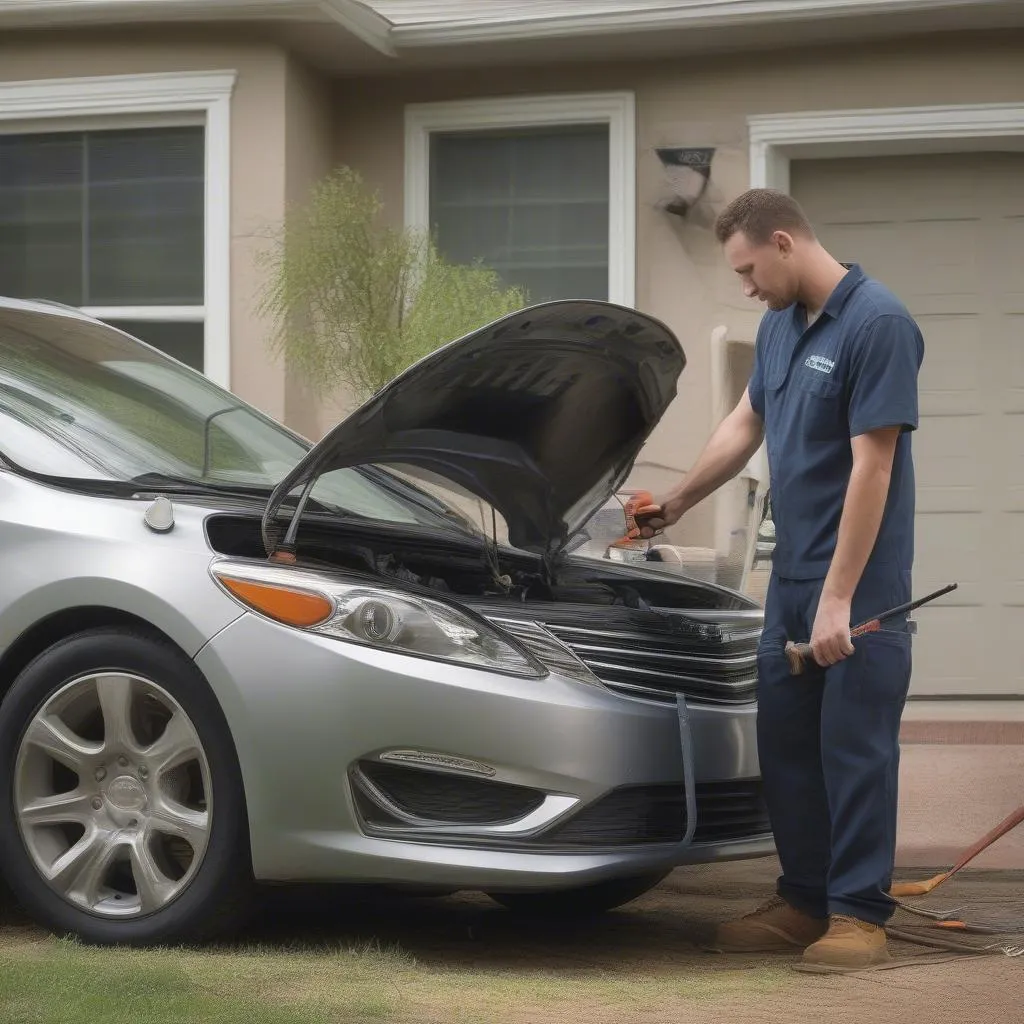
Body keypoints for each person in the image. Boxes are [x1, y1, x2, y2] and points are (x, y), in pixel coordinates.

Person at [638, 188, 924, 971]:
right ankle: (803, 901)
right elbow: (745, 422)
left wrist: (838, 598)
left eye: (748, 268)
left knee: (853, 748)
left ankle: (859, 914)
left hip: (860, 583)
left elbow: (874, 464)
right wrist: (677, 500)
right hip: (791, 574)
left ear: (785, 243)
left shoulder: (880, 324)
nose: (746, 286)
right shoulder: (777, 329)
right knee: (789, 746)